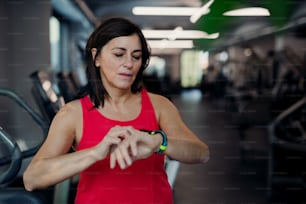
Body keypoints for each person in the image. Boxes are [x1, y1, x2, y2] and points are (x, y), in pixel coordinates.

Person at [23, 17, 209, 204]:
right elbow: (32, 178)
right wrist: (95, 153)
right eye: (119, 54)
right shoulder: (73, 114)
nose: (129, 63)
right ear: (96, 57)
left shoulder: (159, 105)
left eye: (136, 56)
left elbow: (201, 153)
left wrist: (159, 142)